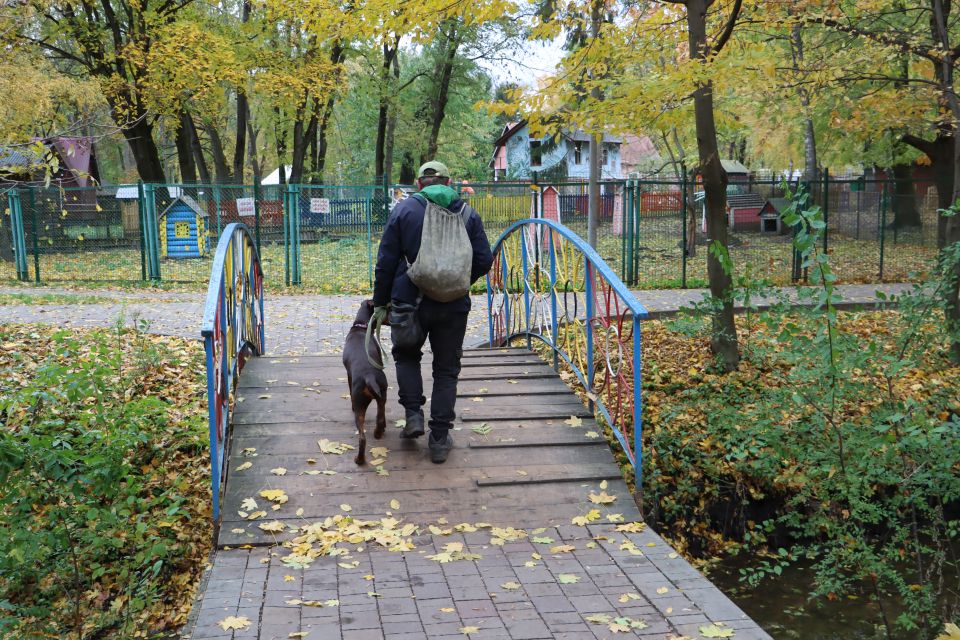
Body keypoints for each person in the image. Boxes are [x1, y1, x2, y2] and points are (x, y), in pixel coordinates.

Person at [372, 161, 493, 463]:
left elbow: (386, 261)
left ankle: (414, 415)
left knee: (406, 354)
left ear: (418, 183)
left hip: (409, 302)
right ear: (449, 182)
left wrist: (380, 302)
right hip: (453, 306)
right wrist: (458, 281)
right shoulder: (467, 213)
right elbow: (484, 259)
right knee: (446, 369)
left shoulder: (404, 210)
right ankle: (439, 438)